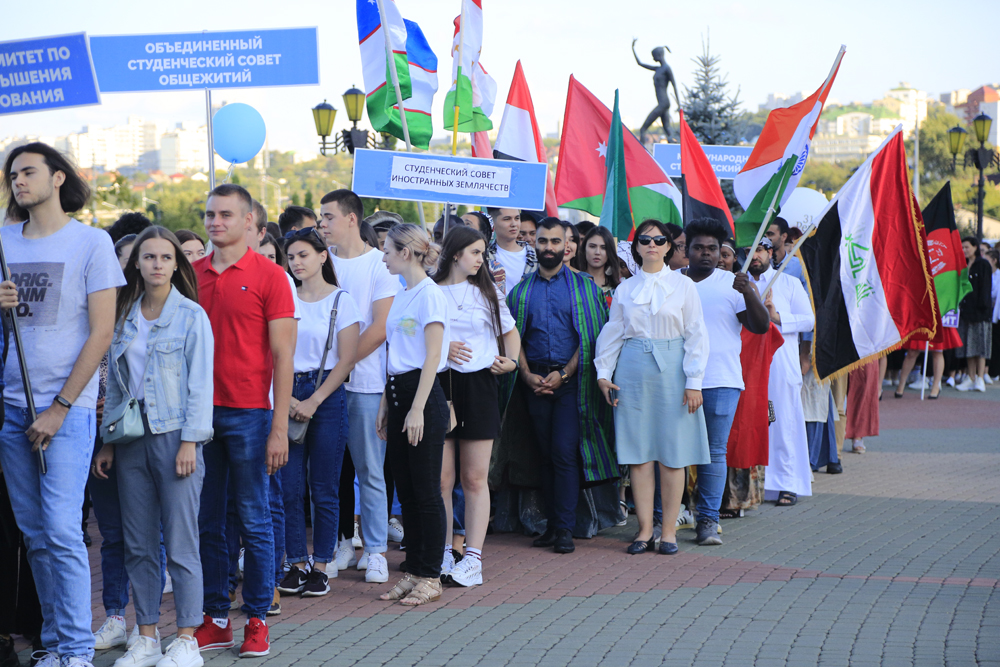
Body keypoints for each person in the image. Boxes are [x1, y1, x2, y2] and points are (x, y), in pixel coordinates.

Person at [0, 142, 126, 667]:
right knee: (35, 535)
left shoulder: (91, 242)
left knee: (61, 530)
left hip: (66, 411)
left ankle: (76, 650)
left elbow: (102, 333)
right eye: (12, 174)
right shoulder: (3, 240)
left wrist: (60, 407)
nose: (18, 181)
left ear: (57, 178)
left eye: (28, 171)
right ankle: (54, 643)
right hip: (11, 407)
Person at [93, 226, 214, 667]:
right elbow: (116, 381)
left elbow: (201, 384)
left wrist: (190, 441)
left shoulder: (191, 315)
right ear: (137, 264)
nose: (157, 264)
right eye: (149, 257)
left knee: (181, 543)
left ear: (177, 264)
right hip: (130, 437)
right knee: (139, 543)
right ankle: (146, 636)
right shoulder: (124, 314)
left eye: (165, 257)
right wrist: (108, 442)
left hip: (176, 434)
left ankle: (186, 638)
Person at [191, 184, 296, 658]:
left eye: (225, 214)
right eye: (209, 214)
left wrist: (279, 428)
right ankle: (216, 619)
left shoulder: (271, 276)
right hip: (198, 416)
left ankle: (256, 618)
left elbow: (284, 357)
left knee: (254, 519)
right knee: (208, 521)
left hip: (251, 414)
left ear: (250, 220)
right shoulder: (191, 275)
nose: (215, 222)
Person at [595, 219, 710, 555]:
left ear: (669, 246)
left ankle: (669, 531)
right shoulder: (625, 289)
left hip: (673, 370)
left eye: (659, 240)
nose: (652, 245)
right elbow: (613, 332)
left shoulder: (684, 285)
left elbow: (696, 334)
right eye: (645, 240)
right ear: (636, 247)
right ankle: (644, 530)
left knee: (673, 455)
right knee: (639, 454)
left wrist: (694, 382)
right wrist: (603, 373)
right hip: (632, 369)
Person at [507, 218, 615, 554]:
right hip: (534, 382)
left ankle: (566, 528)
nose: (549, 247)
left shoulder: (585, 287)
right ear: (534, 244)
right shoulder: (521, 290)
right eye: (543, 241)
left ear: (567, 246)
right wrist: (527, 375)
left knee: (564, 452)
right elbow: (512, 338)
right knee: (544, 455)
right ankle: (553, 526)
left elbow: (593, 338)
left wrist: (564, 374)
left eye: (556, 241)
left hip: (573, 384)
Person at [432, 226, 521, 586]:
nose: (481, 259)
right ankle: (442, 551)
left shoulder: (487, 292)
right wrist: (444, 347)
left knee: (474, 477)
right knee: (441, 478)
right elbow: (410, 335)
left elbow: (510, 332)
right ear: (455, 253)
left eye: (483, 253)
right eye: (475, 252)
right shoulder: (430, 291)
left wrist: (511, 362)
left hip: (480, 385)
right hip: (439, 384)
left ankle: (473, 558)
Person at [277, 230, 361, 599]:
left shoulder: (341, 300)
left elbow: (347, 359)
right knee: (289, 487)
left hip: (326, 393)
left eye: (303, 255)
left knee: (325, 487)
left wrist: (314, 400)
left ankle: (322, 566)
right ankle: (297, 564)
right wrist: (287, 400)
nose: (296, 262)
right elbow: (273, 352)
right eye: (291, 256)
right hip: (286, 389)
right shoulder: (283, 297)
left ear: (323, 256)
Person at [319, 190, 396, 584]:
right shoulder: (321, 261)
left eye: (328, 216)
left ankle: (377, 549)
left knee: (369, 469)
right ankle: (340, 543)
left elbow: (381, 327)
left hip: (365, 383)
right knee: (329, 472)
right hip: (322, 384)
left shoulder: (379, 265)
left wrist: (342, 365)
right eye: (321, 217)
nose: (322, 224)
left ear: (351, 218)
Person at [681, 219, 770, 544]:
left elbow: (760, 326)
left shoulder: (734, 283)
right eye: (699, 248)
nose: (706, 254)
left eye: (712, 249)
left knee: (714, 453)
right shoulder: (672, 281)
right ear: (687, 250)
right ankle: (667, 517)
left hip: (721, 380)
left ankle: (708, 521)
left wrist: (749, 293)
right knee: (673, 452)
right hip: (677, 381)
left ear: (721, 252)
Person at [376, 224, 450, 606]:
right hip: (398, 393)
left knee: (425, 491)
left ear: (405, 252)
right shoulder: (402, 293)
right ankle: (415, 569)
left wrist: (417, 407)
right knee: (405, 491)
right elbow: (395, 352)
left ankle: (431, 574)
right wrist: (386, 404)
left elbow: (433, 355)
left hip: (422, 397)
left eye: (387, 250)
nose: (383, 256)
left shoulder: (430, 294)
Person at [746, 239, 814, 506]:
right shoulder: (739, 284)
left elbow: (809, 320)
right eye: (749, 251)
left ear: (770, 252)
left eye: (759, 250)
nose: (755, 256)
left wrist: (777, 318)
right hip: (748, 365)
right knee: (754, 425)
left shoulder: (788, 283)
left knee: (783, 422)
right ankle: (755, 485)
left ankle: (787, 483)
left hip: (781, 365)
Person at [955, 237, 993, 392]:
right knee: (968, 347)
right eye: (962, 247)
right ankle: (970, 377)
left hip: (980, 313)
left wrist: (983, 308)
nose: (964, 250)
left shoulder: (983, 264)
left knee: (981, 347)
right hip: (965, 312)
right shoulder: (962, 265)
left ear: (975, 247)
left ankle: (980, 377)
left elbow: (985, 288)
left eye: (967, 247)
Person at [487, 208, 537, 295]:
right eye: (507, 219)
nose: (514, 224)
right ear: (493, 222)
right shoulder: (483, 256)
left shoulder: (536, 256)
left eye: (517, 218)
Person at [576, 226, 621, 301]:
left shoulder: (620, 287)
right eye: (592, 246)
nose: (597, 252)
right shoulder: (573, 282)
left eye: (603, 248)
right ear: (584, 249)